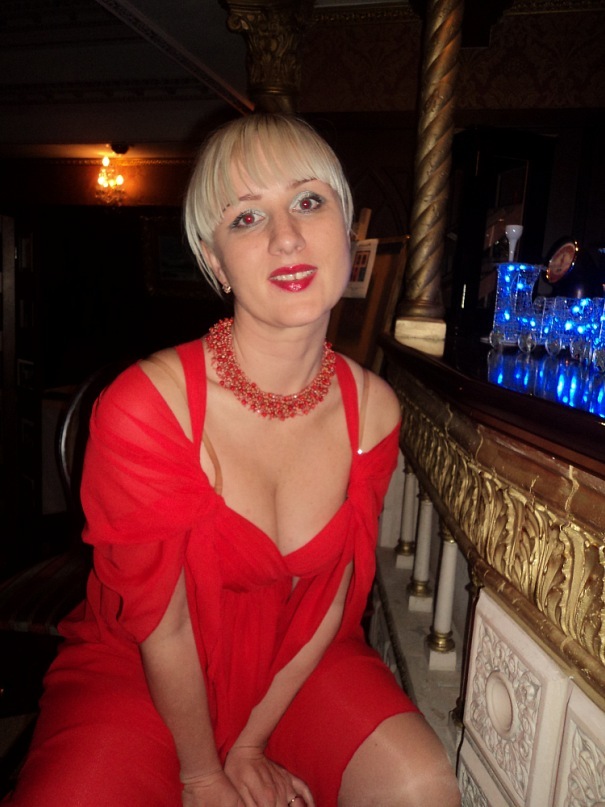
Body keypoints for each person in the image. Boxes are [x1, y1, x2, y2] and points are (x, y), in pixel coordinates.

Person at [6, 113, 461, 807]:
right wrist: (203, 773)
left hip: (296, 660)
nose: (286, 236)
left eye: (308, 201)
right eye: (247, 218)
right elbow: (164, 624)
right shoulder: (147, 404)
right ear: (215, 261)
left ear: (346, 230)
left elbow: (330, 599)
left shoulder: (374, 411)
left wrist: (249, 741)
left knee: (420, 783)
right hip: (143, 664)